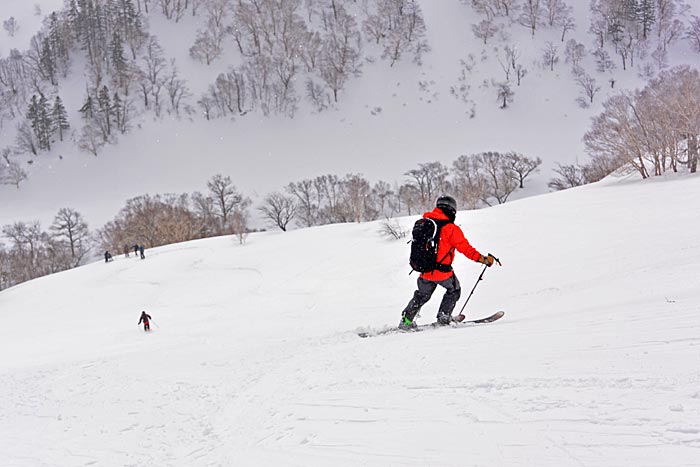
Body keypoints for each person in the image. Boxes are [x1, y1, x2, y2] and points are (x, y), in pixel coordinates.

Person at [399, 195, 499, 330]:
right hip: (442, 272)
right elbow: (466, 249)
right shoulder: (450, 228)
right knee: (454, 290)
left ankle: (406, 320)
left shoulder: (425, 223)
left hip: (425, 271)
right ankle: (443, 317)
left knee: (421, 295)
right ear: (452, 210)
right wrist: (483, 259)